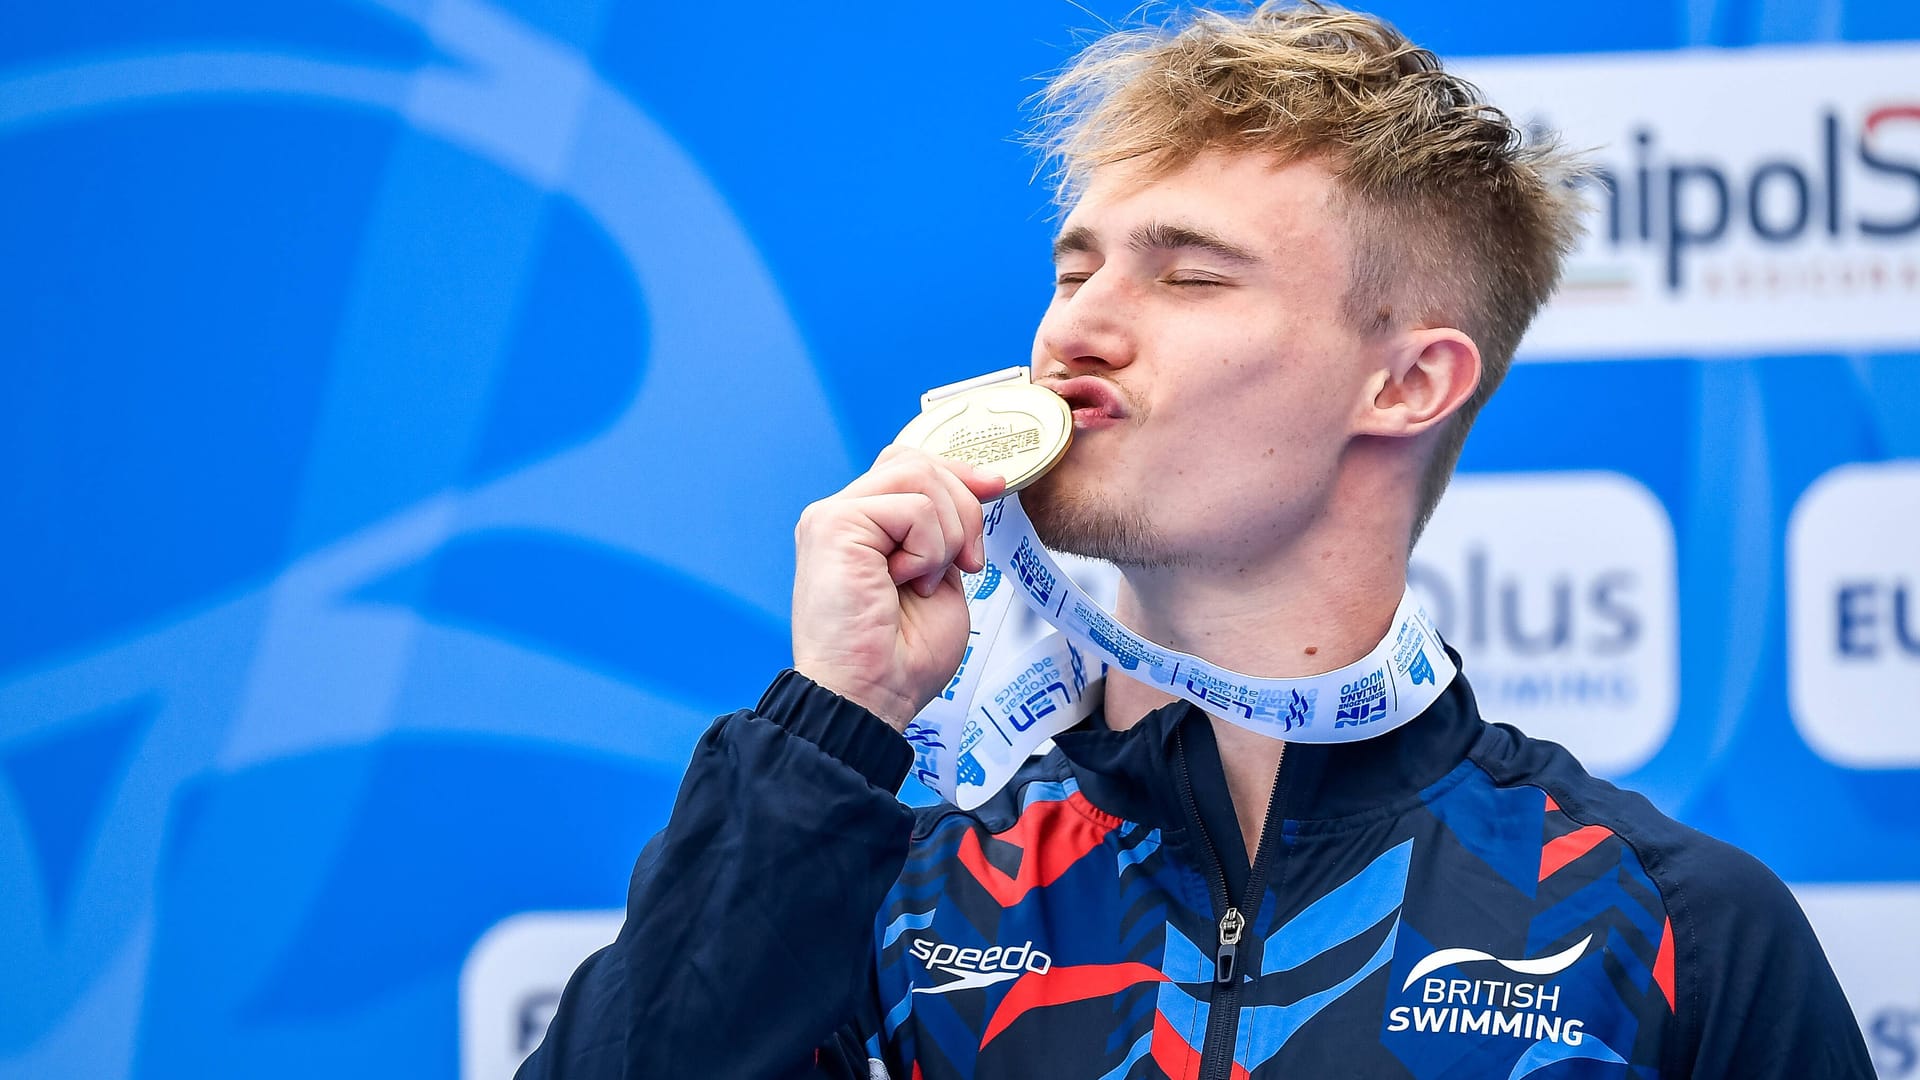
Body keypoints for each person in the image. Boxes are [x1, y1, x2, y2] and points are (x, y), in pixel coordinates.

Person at [519, 3, 1874, 1077]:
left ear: (1407, 383)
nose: (1075, 329)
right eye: (1074, 268)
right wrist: (835, 722)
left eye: (1188, 274)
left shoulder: (1671, 934)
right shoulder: (882, 896)